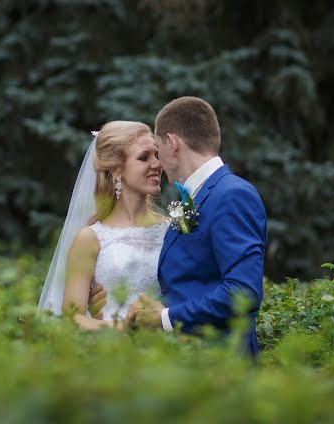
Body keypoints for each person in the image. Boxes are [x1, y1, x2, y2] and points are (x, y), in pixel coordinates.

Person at [90, 97, 267, 354]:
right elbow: (182, 280)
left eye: (157, 150)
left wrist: (165, 319)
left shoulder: (231, 194)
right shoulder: (193, 199)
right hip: (185, 362)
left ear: (172, 144)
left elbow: (244, 292)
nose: (157, 163)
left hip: (222, 362)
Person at [38, 121, 168, 330]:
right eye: (144, 157)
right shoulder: (90, 239)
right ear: (116, 170)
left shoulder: (171, 230)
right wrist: (122, 326)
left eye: (156, 155)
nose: (157, 164)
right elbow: (71, 319)